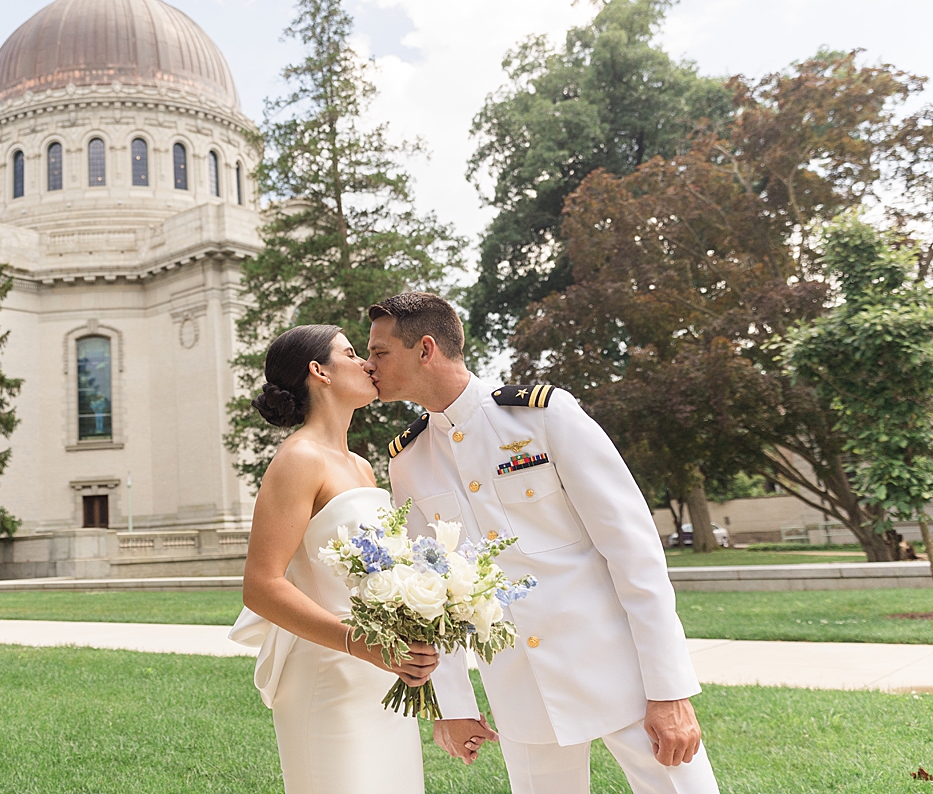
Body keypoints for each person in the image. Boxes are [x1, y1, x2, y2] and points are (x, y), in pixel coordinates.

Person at [363, 292, 720, 794]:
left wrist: (669, 689)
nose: (368, 364)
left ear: (425, 349)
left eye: (380, 353)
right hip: (519, 689)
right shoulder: (409, 460)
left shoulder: (543, 417)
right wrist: (455, 707)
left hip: (618, 671)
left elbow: (634, 552)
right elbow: (429, 594)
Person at [229, 324, 438, 794]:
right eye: (351, 353)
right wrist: (359, 644)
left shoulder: (362, 465)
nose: (367, 363)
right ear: (318, 370)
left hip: (381, 672)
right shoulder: (298, 459)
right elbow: (261, 585)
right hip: (329, 669)